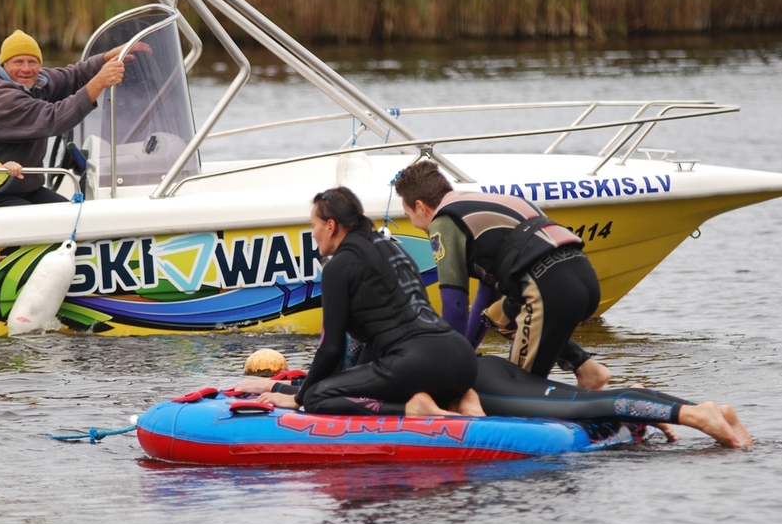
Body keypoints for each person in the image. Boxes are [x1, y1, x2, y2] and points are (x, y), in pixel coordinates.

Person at [250, 186, 482, 417]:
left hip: (416, 364)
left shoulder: (339, 266)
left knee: (316, 397)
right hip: (462, 362)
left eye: (314, 226)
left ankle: (412, 408)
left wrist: (299, 399)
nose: (312, 234)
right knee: (364, 379)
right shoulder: (395, 250)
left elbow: (331, 348)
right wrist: (277, 386)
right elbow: (366, 364)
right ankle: (458, 400)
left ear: (330, 226)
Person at [393, 160, 612, 390]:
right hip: (583, 276)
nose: (416, 225)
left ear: (420, 206)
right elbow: (486, 302)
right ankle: (586, 368)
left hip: (547, 291)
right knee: (500, 316)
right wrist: (464, 356)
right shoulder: (481, 201)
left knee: (520, 391)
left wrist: (449, 375)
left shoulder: (444, 221)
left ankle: (622, 404)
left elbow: (455, 306)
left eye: (409, 216)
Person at [237, 353, 753, 448]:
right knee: (577, 397)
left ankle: (694, 415)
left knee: (576, 406)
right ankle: (697, 409)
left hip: (483, 386)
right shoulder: (391, 325)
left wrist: (280, 392)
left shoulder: (360, 356)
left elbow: (334, 390)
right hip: (486, 368)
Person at [0, 29, 136, 206]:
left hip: (28, 188)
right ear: (3, 64)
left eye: (32, 62)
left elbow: (73, 76)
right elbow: (54, 118)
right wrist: (100, 81)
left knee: (77, 217)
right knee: (48, 225)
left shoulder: (36, 81)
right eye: (18, 62)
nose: (26, 69)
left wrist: (106, 58)